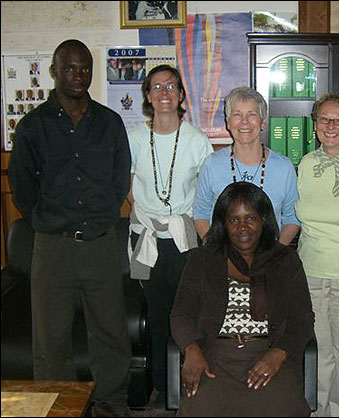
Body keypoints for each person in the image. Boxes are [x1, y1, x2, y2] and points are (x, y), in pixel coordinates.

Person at [8, 39, 132, 412]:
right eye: (70, 68)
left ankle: (111, 405)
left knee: (110, 335)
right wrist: (45, 220)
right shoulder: (33, 126)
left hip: (100, 245)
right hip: (53, 247)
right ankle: (58, 407)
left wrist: (103, 214)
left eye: (84, 68)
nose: (78, 76)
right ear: (55, 71)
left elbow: (119, 176)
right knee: (51, 340)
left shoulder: (109, 122)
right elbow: (22, 185)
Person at [171, 181, 314, 417]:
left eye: (250, 218)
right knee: (199, 409)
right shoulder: (202, 259)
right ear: (223, 225)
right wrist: (192, 349)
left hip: (268, 355)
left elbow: (302, 319)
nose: (242, 227)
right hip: (215, 357)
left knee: (282, 407)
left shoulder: (285, 261)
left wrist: (279, 353)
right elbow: (181, 314)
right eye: (233, 220)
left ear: (264, 220)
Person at [127, 64, 213, 409]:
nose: (164, 92)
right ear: (148, 95)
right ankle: (164, 388)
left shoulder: (196, 140)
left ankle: (191, 382)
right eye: (157, 87)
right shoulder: (133, 137)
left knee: (189, 312)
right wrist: (150, 218)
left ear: (181, 96)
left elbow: (206, 192)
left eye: (171, 86)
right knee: (158, 312)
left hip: (186, 238)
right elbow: (127, 185)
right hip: (146, 236)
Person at [295, 92, 339, 417]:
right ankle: (319, 409)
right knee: (319, 349)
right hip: (309, 269)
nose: (331, 125)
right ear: (315, 125)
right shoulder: (307, 164)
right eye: (324, 119)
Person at [194, 86, 300, 245]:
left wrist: (275, 253)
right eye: (237, 115)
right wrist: (216, 251)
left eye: (252, 114)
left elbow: (292, 218)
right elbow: (201, 213)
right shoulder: (211, 164)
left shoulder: (284, 167)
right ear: (228, 122)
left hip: (268, 260)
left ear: (263, 122)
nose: (244, 122)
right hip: (223, 260)